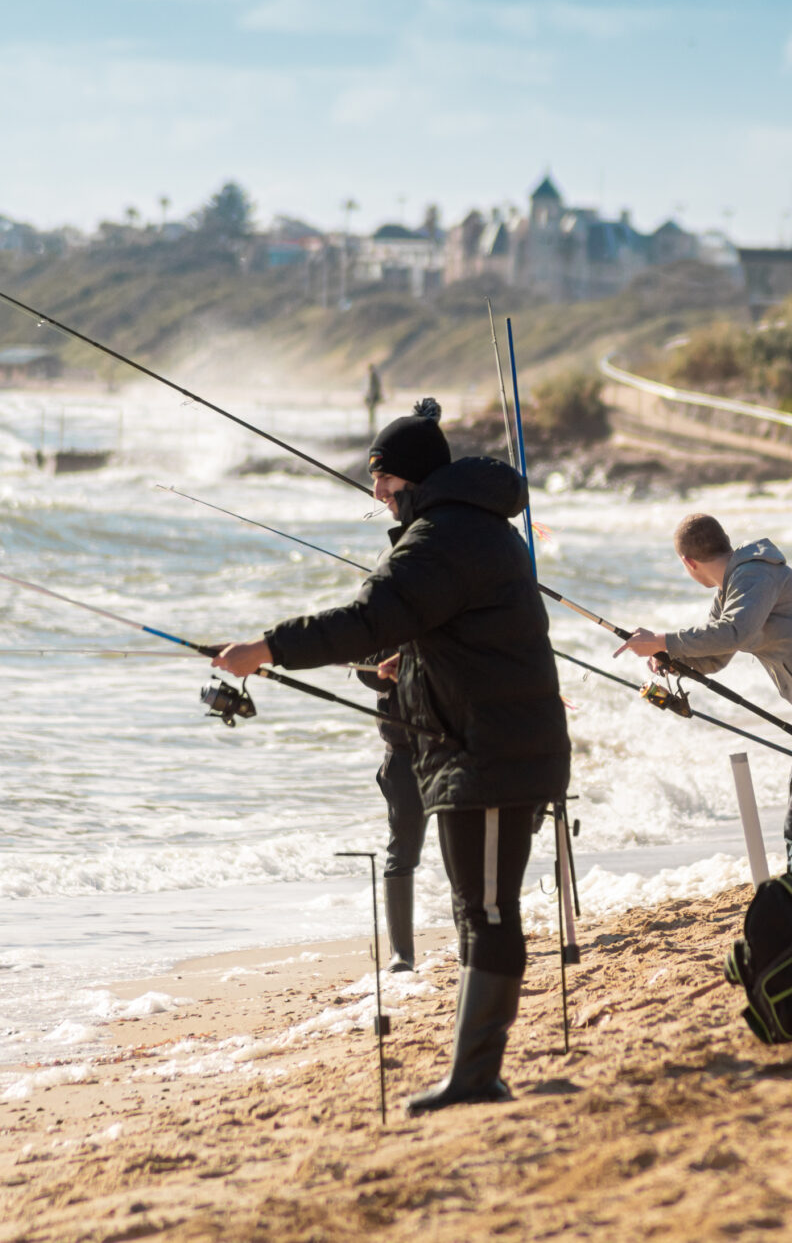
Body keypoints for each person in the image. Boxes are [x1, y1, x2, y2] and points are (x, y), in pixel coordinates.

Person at [213, 399, 569, 1114]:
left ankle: (478, 1076)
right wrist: (405, 665)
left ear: (410, 477)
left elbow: (369, 617)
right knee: (477, 908)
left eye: (381, 478)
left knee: (490, 910)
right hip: (477, 749)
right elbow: (454, 630)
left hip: (495, 751)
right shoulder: (467, 530)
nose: (374, 491)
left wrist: (267, 648)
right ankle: (472, 1072)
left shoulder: (443, 538)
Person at [613, 513, 792, 908]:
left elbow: (734, 633)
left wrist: (663, 639)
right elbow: (718, 655)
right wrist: (669, 656)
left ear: (688, 562)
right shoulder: (737, 585)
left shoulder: (753, 576)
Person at [356, 649, 423, 972]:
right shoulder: (385, 605)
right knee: (402, 849)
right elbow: (365, 670)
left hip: (457, 749)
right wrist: (396, 661)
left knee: (468, 847)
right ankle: (402, 953)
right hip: (402, 754)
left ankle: (475, 940)